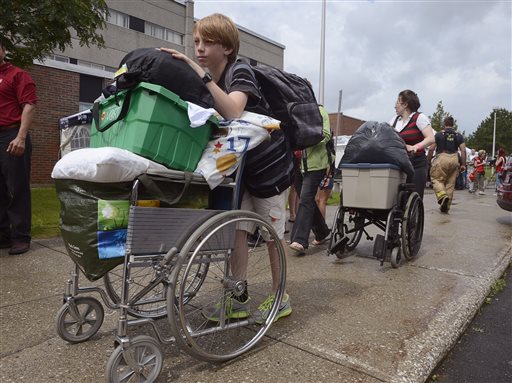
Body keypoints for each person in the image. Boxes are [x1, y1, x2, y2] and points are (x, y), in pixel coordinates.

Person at [160, 13, 291, 323]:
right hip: (241, 169)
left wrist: (197, 73)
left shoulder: (240, 70)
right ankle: (238, 298)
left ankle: (280, 297)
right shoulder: (214, 79)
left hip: (269, 169)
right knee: (236, 232)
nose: (200, 49)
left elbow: (233, 109)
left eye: (208, 42)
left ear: (227, 48)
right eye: (196, 43)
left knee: (272, 234)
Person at [0, 40, 37, 255]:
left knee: (17, 188)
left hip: (12, 135)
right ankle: (3, 236)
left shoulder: (18, 75)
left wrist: (21, 137)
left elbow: (29, 105)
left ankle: (21, 237)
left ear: (3, 50)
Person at [289, 105, 331, 255]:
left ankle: (300, 240)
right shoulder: (293, 112)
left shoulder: (320, 111)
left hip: (315, 165)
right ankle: (322, 232)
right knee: (307, 200)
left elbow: (326, 134)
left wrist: (305, 140)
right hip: (297, 165)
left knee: (305, 199)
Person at [389, 89, 435, 199]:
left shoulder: (419, 118)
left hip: (416, 164)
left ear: (405, 104)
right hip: (399, 164)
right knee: (395, 197)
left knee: (414, 197)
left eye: (397, 103)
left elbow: (431, 138)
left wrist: (415, 147)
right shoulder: (394, 121)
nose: (395, 106)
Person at [427, 116, 466, 213]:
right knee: (450, 184)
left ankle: (442, 196)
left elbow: (431, 149)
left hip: (442, 157)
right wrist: (463, 164)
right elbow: (463, 150)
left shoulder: (439, 135)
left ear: (444, 124)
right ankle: (446, 207)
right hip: (454, 159)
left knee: (436, 179)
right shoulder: (459, 136)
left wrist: (428, 162)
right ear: (453, 124)